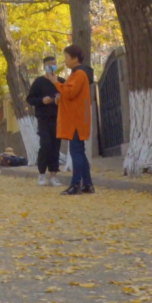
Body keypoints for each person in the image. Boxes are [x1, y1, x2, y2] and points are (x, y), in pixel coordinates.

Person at [52, 45, 94, 195]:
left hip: (76, 119)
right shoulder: (78, 74)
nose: (65, 61)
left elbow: (70, 92)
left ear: (75, 59)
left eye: (67, 58)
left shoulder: (79, 74)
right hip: (78, 117)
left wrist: (56, 82)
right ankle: (87, 184)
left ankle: (76, 184)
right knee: (79, 152)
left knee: (76, 151)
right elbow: (71, 94)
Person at [28, 55, 63, 187]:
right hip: (43, 118)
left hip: (58, 118)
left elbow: (68, 96)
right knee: (46, 145)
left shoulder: (61, 81)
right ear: (44, 67)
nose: (51, 67)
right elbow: (30, 99)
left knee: (55, 146)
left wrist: (60, 100)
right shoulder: (38, 82)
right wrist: (42, 101)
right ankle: (41, 173)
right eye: (48, 65)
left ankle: (53, 175)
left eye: (53, 64)